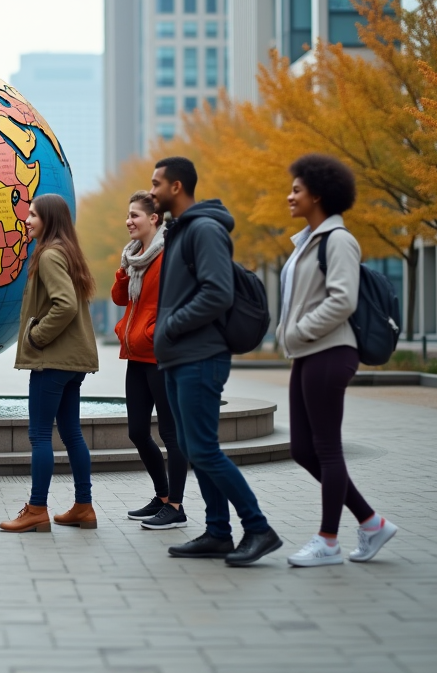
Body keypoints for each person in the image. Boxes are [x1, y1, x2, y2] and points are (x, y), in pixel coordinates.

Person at [149, 156, 282, 566]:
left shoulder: (204, 230)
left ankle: (258, 528)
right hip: (179, 358)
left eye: (156, 183)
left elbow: (218, 293)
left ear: (176, 187)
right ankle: (218, 532)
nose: (151, 190)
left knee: (204, 449)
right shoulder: (179, 230)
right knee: (191, 446)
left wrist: (171, 326)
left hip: (199, 357)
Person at [278, 154, 398, 567]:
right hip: (309, 353)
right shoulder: (307, 241)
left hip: (331, 351)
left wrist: (297, 331)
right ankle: (370, 522)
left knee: (326, 448)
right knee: (301, 449)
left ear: (319, 194)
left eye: (296, 189)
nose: (289, 196)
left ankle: (328, 540)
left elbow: (343, 299)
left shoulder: (338, 241)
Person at [0, 193, 99, 533]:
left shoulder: (49, 256)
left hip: (53, 361)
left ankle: (36, 509)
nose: (27, 220)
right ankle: (84, 507)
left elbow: (65, 305)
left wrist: (37, 336)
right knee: (71, 433)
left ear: (49, 220)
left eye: (33, 215)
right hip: (73, 362)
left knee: (40, 435)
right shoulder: (68, 253)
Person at [112, 191, 188, 531]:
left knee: (171, 433)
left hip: (160, 355)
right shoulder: (135, 256)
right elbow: (118, 298)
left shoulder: (168, 255)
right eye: (128, 215)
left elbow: (178, 300)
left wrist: (157, 332)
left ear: (154, 219)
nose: (129, 220)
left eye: (135, 215)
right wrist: (125, 267)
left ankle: (176, 506)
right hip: (135, 356)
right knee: (137, 431)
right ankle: (161, 496)